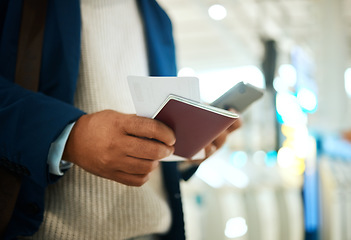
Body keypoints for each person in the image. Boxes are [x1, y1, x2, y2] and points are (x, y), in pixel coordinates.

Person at [0, 0, 241, 239]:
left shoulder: (158, 17)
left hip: (154, 232)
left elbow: (153, 127)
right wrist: (71, 136)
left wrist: (185, 149)